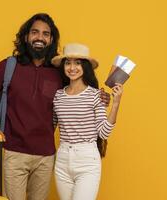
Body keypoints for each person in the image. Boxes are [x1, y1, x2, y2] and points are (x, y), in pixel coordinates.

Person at [0, 13, 110, 200]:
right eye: (35, 32)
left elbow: (78, 88)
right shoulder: (8, 66)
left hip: (46, 157)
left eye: (46, 34)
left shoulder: (59, 71)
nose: (40, 37)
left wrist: (100, 96)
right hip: (15, 153)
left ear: (51, 39)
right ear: (26, 36)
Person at [52, 43, 123, 200]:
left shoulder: (95, 95)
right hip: (62, 159)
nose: (72, 67)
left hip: (87, 161)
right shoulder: (58, 96)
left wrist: (116, 103)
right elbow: (49, 126)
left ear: (85, 67)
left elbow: (104, 132)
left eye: (78, 63)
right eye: (68, 63)